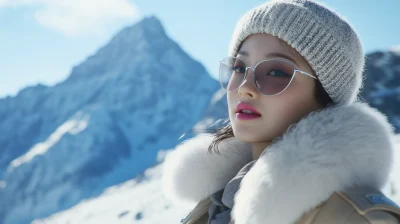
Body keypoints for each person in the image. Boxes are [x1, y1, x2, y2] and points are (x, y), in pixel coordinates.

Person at [162, 0, 400, 223]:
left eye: (276, 72)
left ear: (325, 96)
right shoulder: (217, 201)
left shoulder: (353, 217)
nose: (245, 88)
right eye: (239, 67)